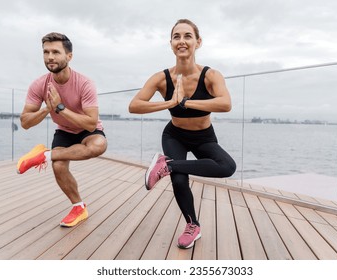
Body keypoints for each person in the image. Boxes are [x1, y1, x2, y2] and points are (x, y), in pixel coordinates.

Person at [129, 19, 236, 249]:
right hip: (174, 134)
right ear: (171, 44)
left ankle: (167, 165)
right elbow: (134, 106)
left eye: (187, 36)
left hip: (204, 136)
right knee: (179, 180)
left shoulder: (211, 75)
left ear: (198, 42)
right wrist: (169, 102)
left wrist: (186, 102)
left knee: (227, 166)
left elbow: (226, 104)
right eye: (176, 37)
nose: (182, 41)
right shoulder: (161, 78)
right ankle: (192, 225)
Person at [17, 32, 107, 227]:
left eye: (56, 52)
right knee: (58, 165)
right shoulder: (39, 84)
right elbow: (25, 122)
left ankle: (45, 156)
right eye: (46, 52)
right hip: (64, 131)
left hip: (86, 129)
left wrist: (60, 108)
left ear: (69, 56)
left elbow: (91, 123)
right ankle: (78, 207)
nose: (50, 57)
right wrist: (47, 109)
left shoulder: (85, 83)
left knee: (99, 146)